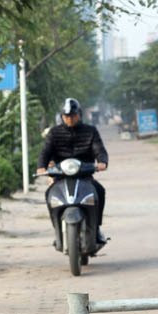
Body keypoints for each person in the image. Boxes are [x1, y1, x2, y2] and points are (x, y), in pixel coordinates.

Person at [36, 98, 109, 244]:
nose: (70, 119)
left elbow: (99, 149)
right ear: (62, 116)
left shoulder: (90, 131)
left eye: (73, 115)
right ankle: (57, 229)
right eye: (66, 116)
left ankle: (96, 227)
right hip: (60, 176)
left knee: (99, 191)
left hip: (84, 175)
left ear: (79, 115)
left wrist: (102, 161)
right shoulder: (54, 133)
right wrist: (41, 166)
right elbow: (45, 152)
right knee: (48, 194)